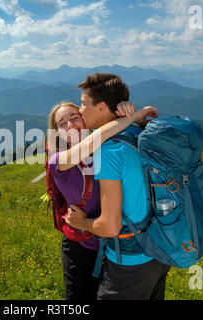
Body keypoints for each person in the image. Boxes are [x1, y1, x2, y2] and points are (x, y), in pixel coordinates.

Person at [65, 73, 170, 300]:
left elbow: (110, 226)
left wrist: (80, 222)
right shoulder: (141, 129)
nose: (81, 110)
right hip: (160, 249)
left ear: (102, 107)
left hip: (131, 261)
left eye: (84, 104)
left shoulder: (109, 150)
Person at [47, 100, 157, 300]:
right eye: (62, 124)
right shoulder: (58, 161)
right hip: (81, 250)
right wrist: (131, 116)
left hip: (113, 249)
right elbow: (95, 138)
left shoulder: (106, 149)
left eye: (75, 118)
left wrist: (122, 109)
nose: (70, 125)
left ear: (85, 119)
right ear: (57, 133)